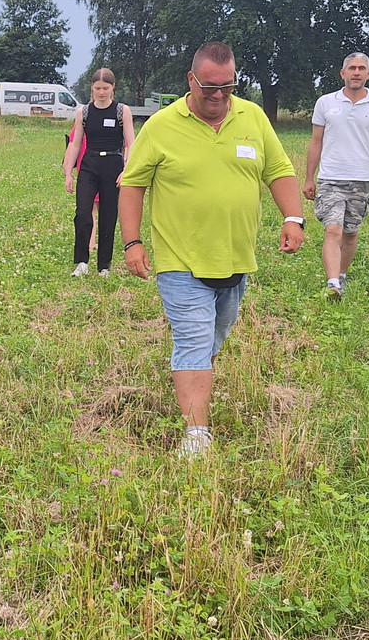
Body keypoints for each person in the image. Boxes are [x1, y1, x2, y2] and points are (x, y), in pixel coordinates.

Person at [118, 42, 306, 460]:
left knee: (212, 339)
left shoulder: (252, 117)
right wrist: (132, 243)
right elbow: (132, 184)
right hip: (180, 259)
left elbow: (278, 170)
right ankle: (197, 433)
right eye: (210, 87)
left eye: (228, 86)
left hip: (236, 258)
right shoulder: (162, 125)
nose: (219, 95)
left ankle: (194, 376)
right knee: (192, 339)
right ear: (191, 80)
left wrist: (293, 217)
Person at [303, 52, 369, 299]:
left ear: (368, 74)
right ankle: (333, 283)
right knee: (332, 229)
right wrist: (309, 178)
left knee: (350, 232)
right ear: (343, 73)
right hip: (331, 178)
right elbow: (316, 142)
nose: (356, 72)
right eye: (352, 68)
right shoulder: (326, 103)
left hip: (361, 179)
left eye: (361, 68)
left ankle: (342, 275)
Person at [62, 68, 135, 277]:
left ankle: (104, 265)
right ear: (92, 89)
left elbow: (132, 142)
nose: (101, 92)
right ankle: (82, 262)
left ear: (113, 88)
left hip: (113, 165)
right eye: (97, 88)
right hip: (89, 165)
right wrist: (69, 172)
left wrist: (127, 169)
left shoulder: (122, 111)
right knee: (83, 213)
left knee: (108, 216)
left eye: (105, 88)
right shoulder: (83, 112)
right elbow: (75, 144)